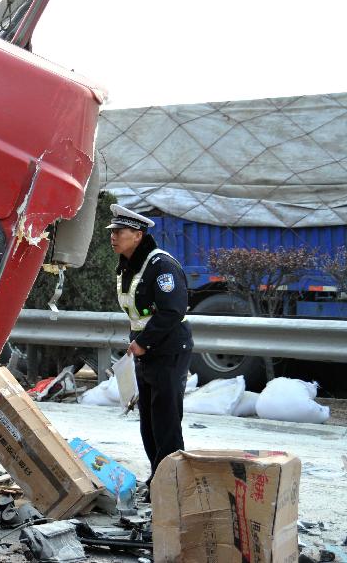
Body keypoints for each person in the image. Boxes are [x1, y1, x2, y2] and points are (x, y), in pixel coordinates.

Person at [107, 204, 191, 501]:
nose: (113, 237)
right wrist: (137, 343)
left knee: (166, 418)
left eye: (120, 232)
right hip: (144, 351)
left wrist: (143, 342)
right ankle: (158, 476)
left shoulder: (161, 266)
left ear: (138, 235)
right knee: (149, 421)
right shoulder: (128, 265)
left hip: (167, 349)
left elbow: (172, 310)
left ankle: (173, 484)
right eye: (113, 232)